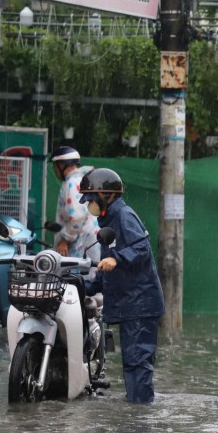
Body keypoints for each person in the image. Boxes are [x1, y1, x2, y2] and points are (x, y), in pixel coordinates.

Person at [79, 168, 165, 403]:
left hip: (140, 304)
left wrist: (117, 259)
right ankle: (135, 414)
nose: (89, 206)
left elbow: (141, 250)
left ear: (106, 196)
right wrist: (84, 286)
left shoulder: (124, 216)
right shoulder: (109, 220)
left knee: (138, 363)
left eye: (91, 199)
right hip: (130, 305)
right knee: (132, 363)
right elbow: (107, 269)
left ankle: (140, 421)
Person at [49, 146, 100, 262]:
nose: (54, 170)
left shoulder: (72, 183)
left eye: (55, 166)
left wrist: (64, 239)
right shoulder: (81, 180)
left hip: (82, 246)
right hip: (89, 243)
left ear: (61, 165)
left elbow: (77, 217)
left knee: (75, 279)